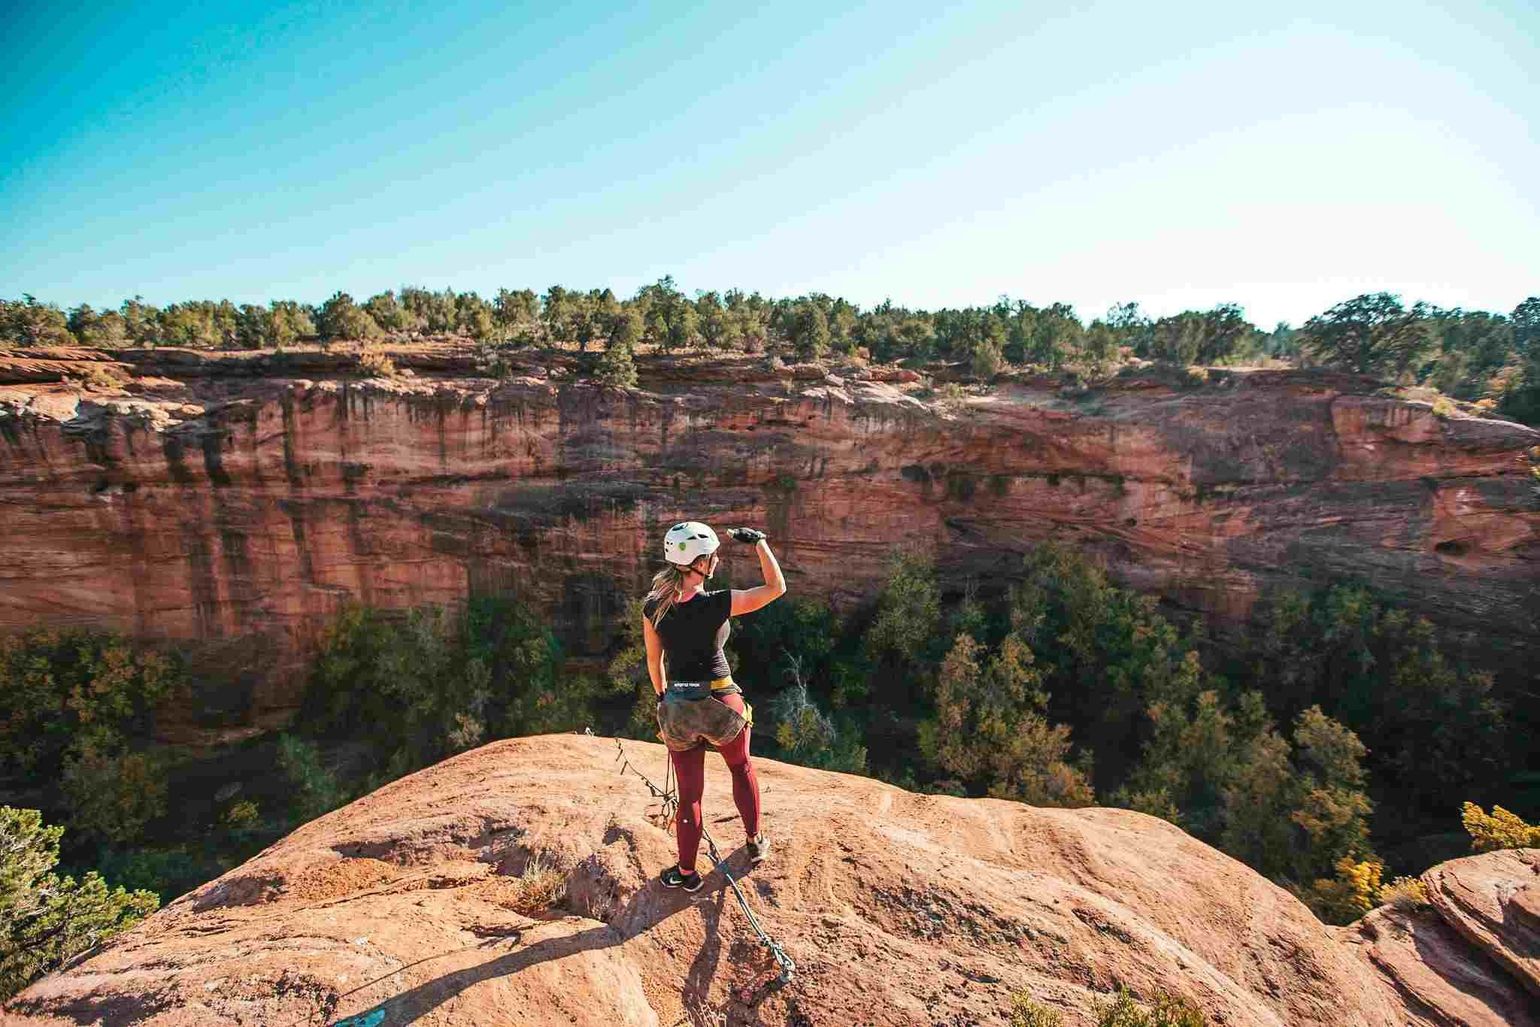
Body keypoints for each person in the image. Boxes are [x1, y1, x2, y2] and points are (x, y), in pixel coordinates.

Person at [642, 520, 786, 892]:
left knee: (689, 795)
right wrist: (760, 544)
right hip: (722, 701)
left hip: (678, 706)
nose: (716, 561)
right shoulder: (718, 603)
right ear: (697, 563)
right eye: (712, 557)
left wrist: (664, 699)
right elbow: (776, 588)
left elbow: (654, 662)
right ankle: (755, 843)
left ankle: (687, 874)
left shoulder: (654, 606)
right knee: (740, 768)